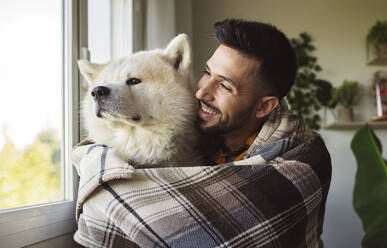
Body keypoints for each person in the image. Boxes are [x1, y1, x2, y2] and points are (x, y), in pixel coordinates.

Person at [72, 19, 332, 248]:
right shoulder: (191, 137)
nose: (201, 92)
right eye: (207, 73)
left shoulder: (304, 158)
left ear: (265, 106)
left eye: (224, 86)